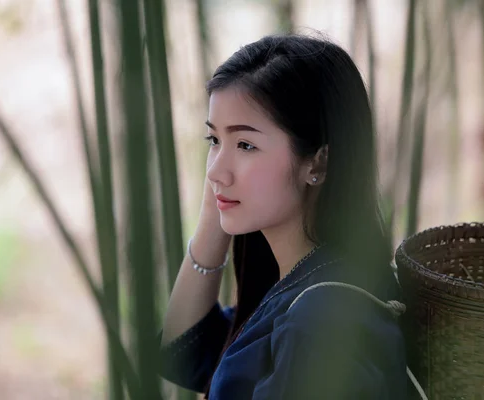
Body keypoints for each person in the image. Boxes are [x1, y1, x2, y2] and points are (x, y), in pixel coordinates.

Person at [158, 33, 407, 399]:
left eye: (245, 145)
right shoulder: (305, 280)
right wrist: (215, 214)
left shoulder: (319, 322)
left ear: (317, 161)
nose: (214, 170)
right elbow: (183, 351)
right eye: (214, 141)